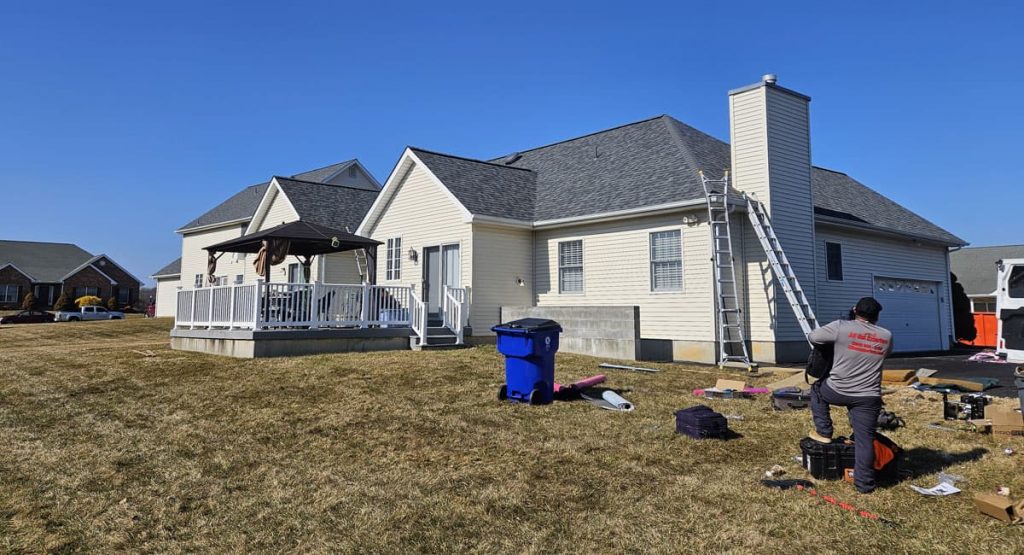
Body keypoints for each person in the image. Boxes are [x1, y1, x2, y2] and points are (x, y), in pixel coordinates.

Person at [807, 297, 893, 494]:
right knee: (865, 440)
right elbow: (885, 354)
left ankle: (824, 431)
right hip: (868, 397)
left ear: (855, 310)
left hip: (837, 390)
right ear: (877, 316)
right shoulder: (886, 335)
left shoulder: (840, 327)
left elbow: (814, 337)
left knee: (816, 389)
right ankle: (864, 485)